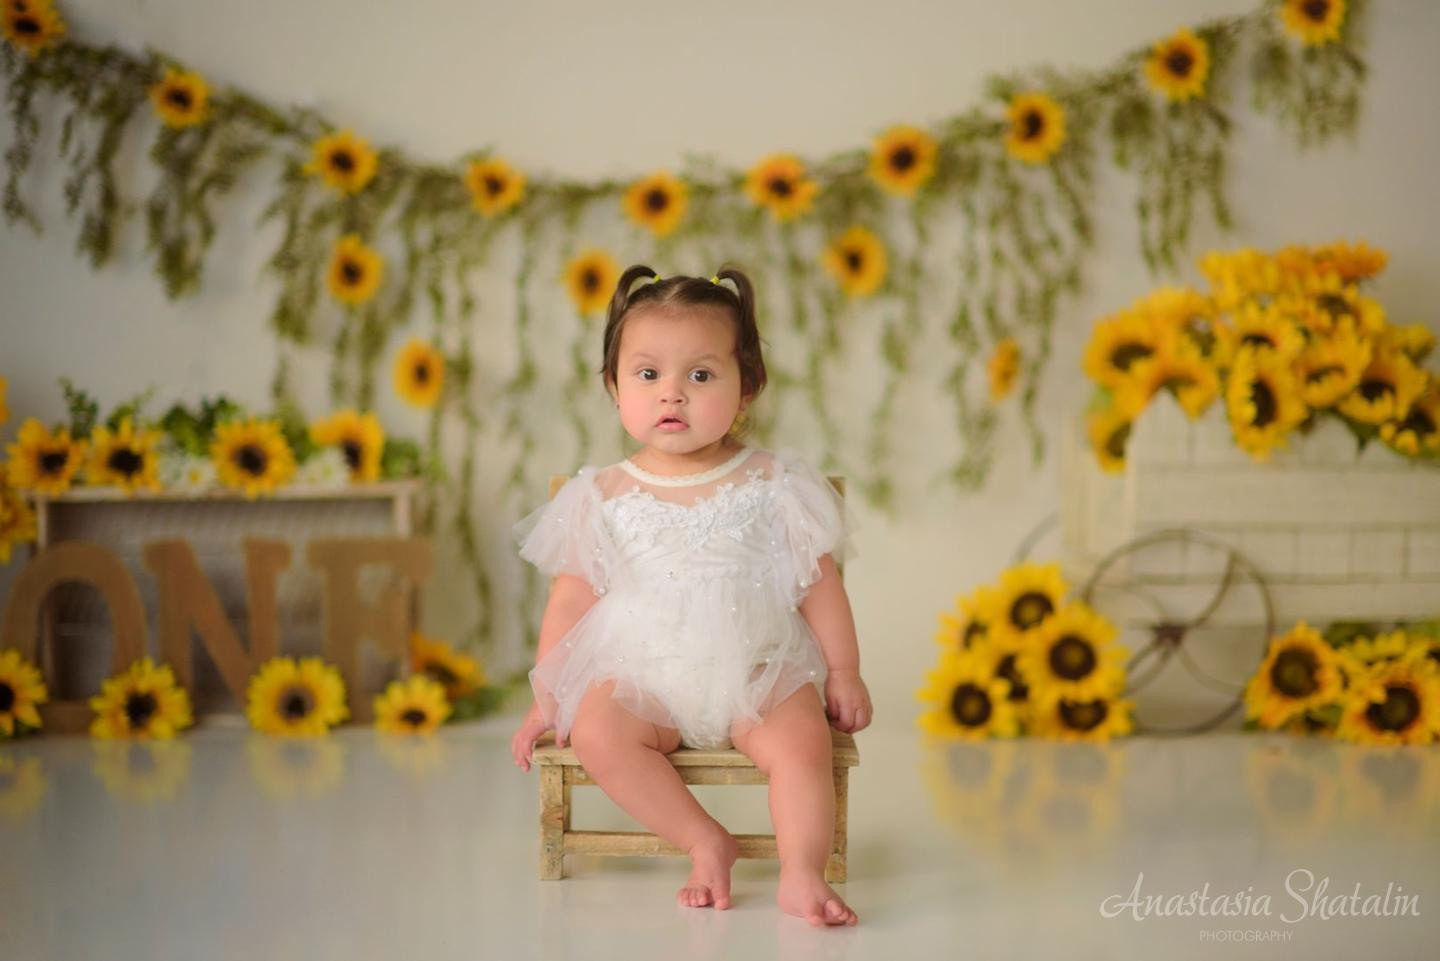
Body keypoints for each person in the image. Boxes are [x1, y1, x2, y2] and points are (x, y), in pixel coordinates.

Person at [510, 264, 871, 926]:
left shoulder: (773, 481)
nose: (671, 393)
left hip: (758, 665)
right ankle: (703, 838)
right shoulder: (603, 493)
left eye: (700, 375)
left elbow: (820, 585)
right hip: (643, 673)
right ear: (614, 385)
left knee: (801, 744)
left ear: (747, 388)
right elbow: (571, 600)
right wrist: (548, 693)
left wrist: (844, 671)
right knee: (597, 732)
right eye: (648, 374)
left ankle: (801, 870)